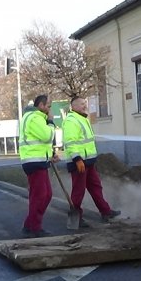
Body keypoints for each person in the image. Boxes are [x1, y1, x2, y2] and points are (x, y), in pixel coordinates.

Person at [62, 96, 120, 226]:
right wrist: (77, 159)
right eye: (82, 104)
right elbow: (70, 142)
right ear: (74, 106)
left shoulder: (82, 119)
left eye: (85, 103)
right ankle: (75, 220)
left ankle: (105, 211)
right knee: (78, 191)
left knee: (95, 187)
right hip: (79, 163)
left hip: (87, 162)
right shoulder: (72, 121)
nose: (85, 106)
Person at [19, 94, 58, 237]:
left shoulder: (33, 118)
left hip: (38, 160)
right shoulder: (35, 118)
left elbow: (41, 142)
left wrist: (51, 155)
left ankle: (30, 224)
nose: (49, 109)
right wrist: (51, 122)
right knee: (40, 195)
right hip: (34, 161)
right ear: (41, 106)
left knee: (45, 194)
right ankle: (34, 227)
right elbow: (47, 136)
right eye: (48, 106)